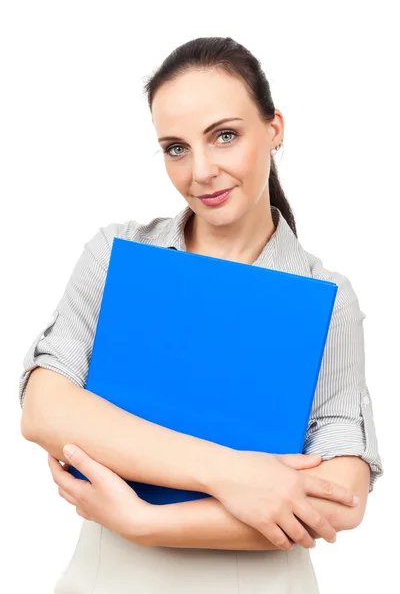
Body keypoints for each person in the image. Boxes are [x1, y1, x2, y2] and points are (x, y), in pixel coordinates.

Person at [19, 36, 383, 594]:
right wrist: (234, 474)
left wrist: (144, 520)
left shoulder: (325, 296)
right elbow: (46, 410)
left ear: (275, 129)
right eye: (176, 147)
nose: (202, 171)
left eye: (225, 136)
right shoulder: (117, 255)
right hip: (106, 578)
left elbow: (341, 495)